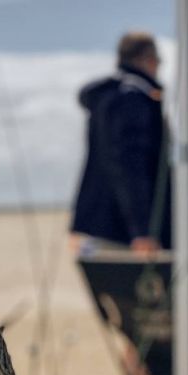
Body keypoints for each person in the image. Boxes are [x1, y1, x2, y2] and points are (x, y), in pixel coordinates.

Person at [71, 32, 171, 254]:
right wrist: (141, 230)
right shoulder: (131, 98)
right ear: (146, 58)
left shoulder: (110, 97)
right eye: (157, 60)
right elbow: (128, 165)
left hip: (102, 228)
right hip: (124, 233)